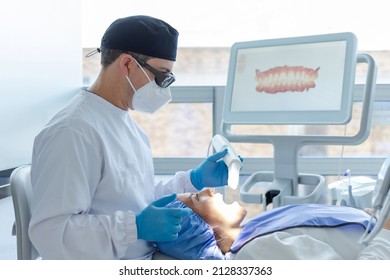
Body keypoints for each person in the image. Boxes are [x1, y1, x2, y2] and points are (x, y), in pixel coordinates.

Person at [28, 15, 231, 260]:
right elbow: (51, 235)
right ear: (127, 64)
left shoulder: (125, 125)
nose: (165, 88)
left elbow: (134, 198)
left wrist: (193, 179)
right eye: (162, 76)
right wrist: (133, 227)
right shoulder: (73, 131)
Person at [156, 189, 390, 260]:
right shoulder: (258, 253)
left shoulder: (255, 231)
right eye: (198, 198)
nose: (208, 190)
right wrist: (385, 233)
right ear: (212, 234)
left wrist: (363, 218)